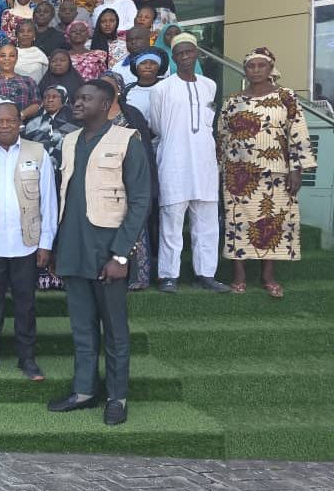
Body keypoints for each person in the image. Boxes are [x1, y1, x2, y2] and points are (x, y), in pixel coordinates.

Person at [48, 80, 150, 426]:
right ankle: (83, 390)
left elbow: (140, 201)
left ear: (106, 104)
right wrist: (58, 247)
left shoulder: (127, 140)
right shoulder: (69, 141)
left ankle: (117, 396)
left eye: (86, 99)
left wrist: (121, 255)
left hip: (108, 249)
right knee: (82, 327)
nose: (77, 103)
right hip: (73, 247)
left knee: (115, 330)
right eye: (77, 98)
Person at [0, 102, 56, 380]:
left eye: (9, 120)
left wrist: (45, 243)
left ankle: (26, 358)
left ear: (19, 122)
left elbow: (49, 201)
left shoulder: (38, 153)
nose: (4, 125)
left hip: (26, 245)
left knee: (25, 305)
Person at [219, 48, 316, 298]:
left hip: (276, 173)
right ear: (245, 70)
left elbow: (298, 133)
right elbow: (223, 136)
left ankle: (268, 276)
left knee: (272, 223)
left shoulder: (286, 96)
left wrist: (296, 170)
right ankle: (239, 275)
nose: (256, 70)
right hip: (238, 175)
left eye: (261, 65)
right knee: (237, 222)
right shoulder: (232, 100)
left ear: (271, 68)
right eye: (251, 66)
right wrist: (219, 168)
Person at [147, 33, 230, 293]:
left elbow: (208, 123)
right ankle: (168, 275)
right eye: (179, 54)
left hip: (204, 162)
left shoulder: (209, 86)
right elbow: (157, 126)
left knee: (206, 221)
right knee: (171, 220)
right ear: (173, 57)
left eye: (189, 52)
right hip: (174, 160)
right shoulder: (161, 89)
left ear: (197, 54)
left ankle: (205, 274)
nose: (184, 57)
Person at [100, 71, 157, 291]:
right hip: (103, 179)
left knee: (135, 223)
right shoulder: (94, 113)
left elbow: (145, 150)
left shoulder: (132, 114)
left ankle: (138, 277)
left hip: (131, 178)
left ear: (119, 89)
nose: (105, 89)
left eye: (110, 85)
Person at [22, 83, 81, 174]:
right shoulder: (33, 123)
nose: (50, 100)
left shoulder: (75, 121)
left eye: (54, 97)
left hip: (67, 169)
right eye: (46, 97)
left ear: (63, 98)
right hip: (39, 168)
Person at [0, 44, 41, 122]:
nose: (7, 59)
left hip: (24, 125)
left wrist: (22, 114)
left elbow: (37, 104)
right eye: (3, 56)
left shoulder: (28, 81)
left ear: (16, 59)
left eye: (11, 56)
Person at [122, 47, 169, 119]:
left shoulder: (168, 86)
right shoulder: (127, 90)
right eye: (143, 63)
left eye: (153, 63)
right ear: (136, 66)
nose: (148, 66)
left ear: (160, 66)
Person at [13, 20, 49, 85]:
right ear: (16, 35)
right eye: (22, 31)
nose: (25, 34)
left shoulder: (40, 55)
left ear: (34, 35)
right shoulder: (9, 54)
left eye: (29, 31)